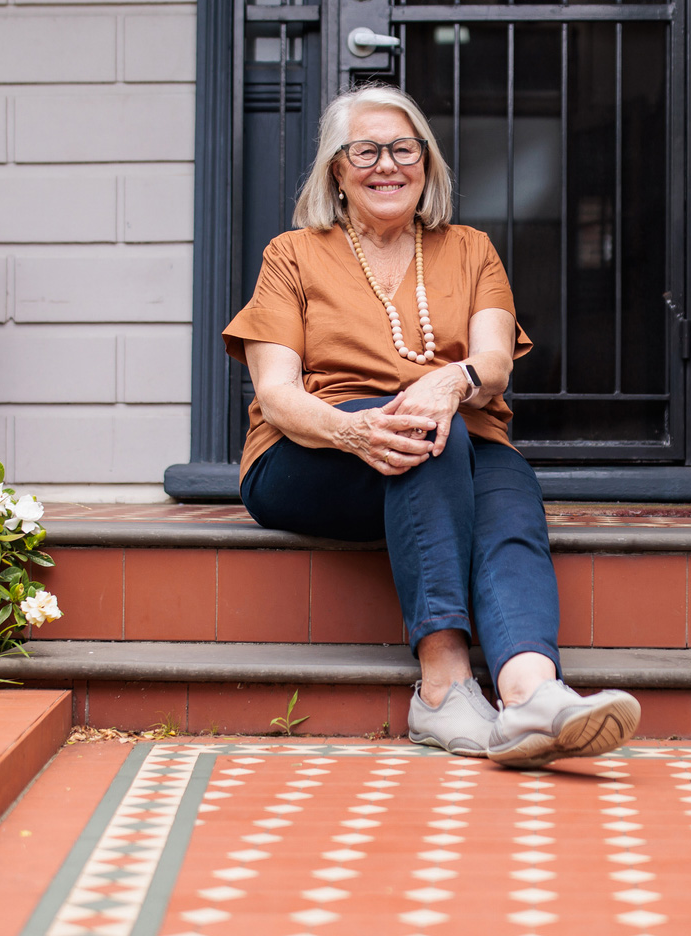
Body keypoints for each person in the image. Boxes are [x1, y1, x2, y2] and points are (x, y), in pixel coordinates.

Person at [223, 83, 640, 767]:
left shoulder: (470, 249)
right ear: (337, 170)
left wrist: (452, 380)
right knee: (427, 435)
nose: (386, 165)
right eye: (366, 151)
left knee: (508, 491)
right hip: (311, 453)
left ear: (427, 164)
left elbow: (495, 361)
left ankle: (532, 691)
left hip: (455, 440)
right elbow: (277, 394)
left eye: (403, 149)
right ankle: (443, 689)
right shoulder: (292, 255)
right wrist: (359, 431)